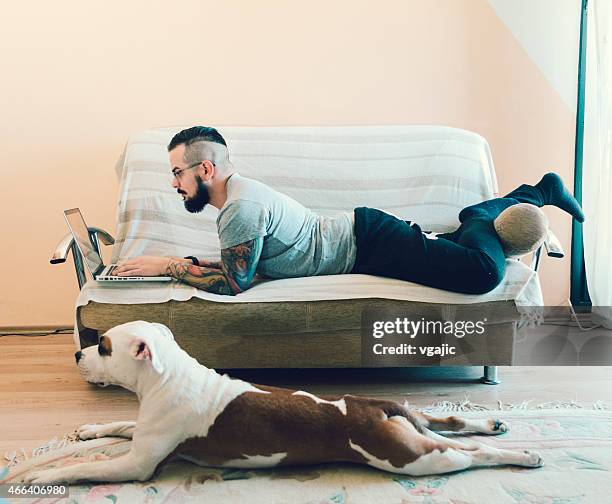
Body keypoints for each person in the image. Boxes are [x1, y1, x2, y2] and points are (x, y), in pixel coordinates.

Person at [115, 126, 585, 296]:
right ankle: (481, 221)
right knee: (462, 258)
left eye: (178, 172)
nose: (173, 183)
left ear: (206, 168)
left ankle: (499, 205)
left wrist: (168, 266)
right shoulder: (238, 198)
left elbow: (237, 284)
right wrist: (189, 264)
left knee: (483, 273)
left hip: (369, 243)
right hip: (367, 238)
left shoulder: (241, 206)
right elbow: (246, 266)